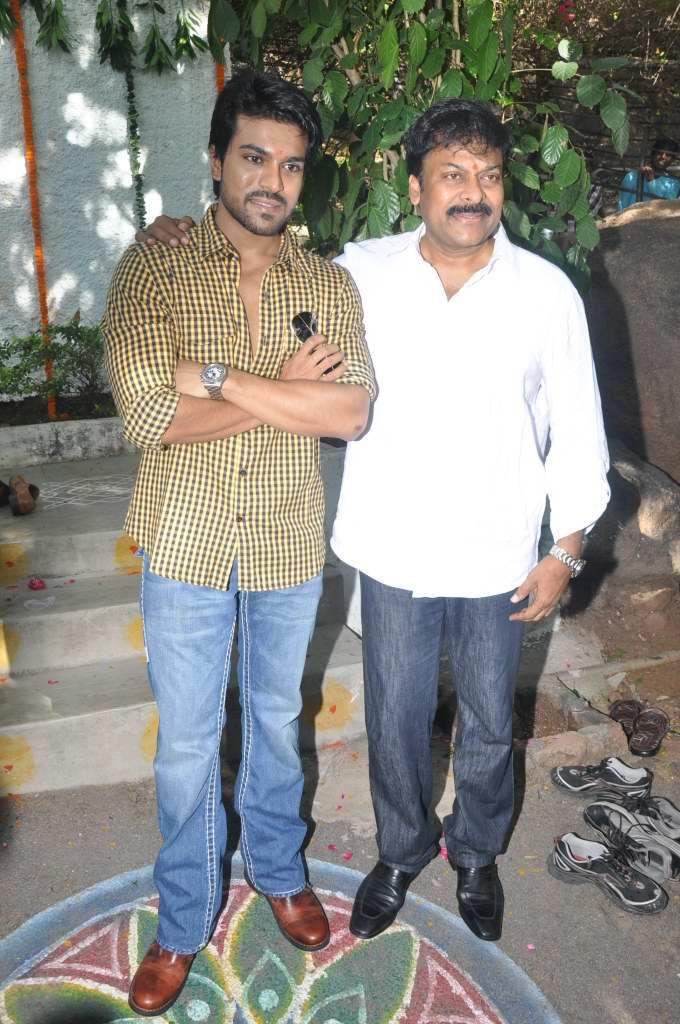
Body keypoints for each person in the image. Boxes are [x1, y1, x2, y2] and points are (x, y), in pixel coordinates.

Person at [139, 98, 610, 945]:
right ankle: (401, 851)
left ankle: (476, 853)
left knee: (489, 723)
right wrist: (170, 231)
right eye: (452, 174)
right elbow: (266, 253)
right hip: (393, 549)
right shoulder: (360, 272)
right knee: (394, 720)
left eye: (488, 175)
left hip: (501, 552)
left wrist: (566, 551)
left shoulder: (547, 294)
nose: (473, 192)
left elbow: (579, 427)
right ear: (415, 188)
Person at [103, 68, 375, 1017]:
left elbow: (350, 412)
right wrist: (284, 390)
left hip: (287, 542)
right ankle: (183, 918)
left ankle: (278, 870)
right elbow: (148, 415)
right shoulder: (155, 268)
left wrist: (215, 377)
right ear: (216, 160)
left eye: (291, 166)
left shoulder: (325, 283)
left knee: (273, 720)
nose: (272, 181)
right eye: (254, 158)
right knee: (186, 746)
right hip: (185, 539)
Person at [618, 136, 680, 211]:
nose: (663, 157)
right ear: (653, 154)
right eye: (659, 152)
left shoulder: (673, 183)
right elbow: (622, 203)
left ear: (672, 160)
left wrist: (652, 182)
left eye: (668, 155)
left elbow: (666, 209)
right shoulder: (632, 176)